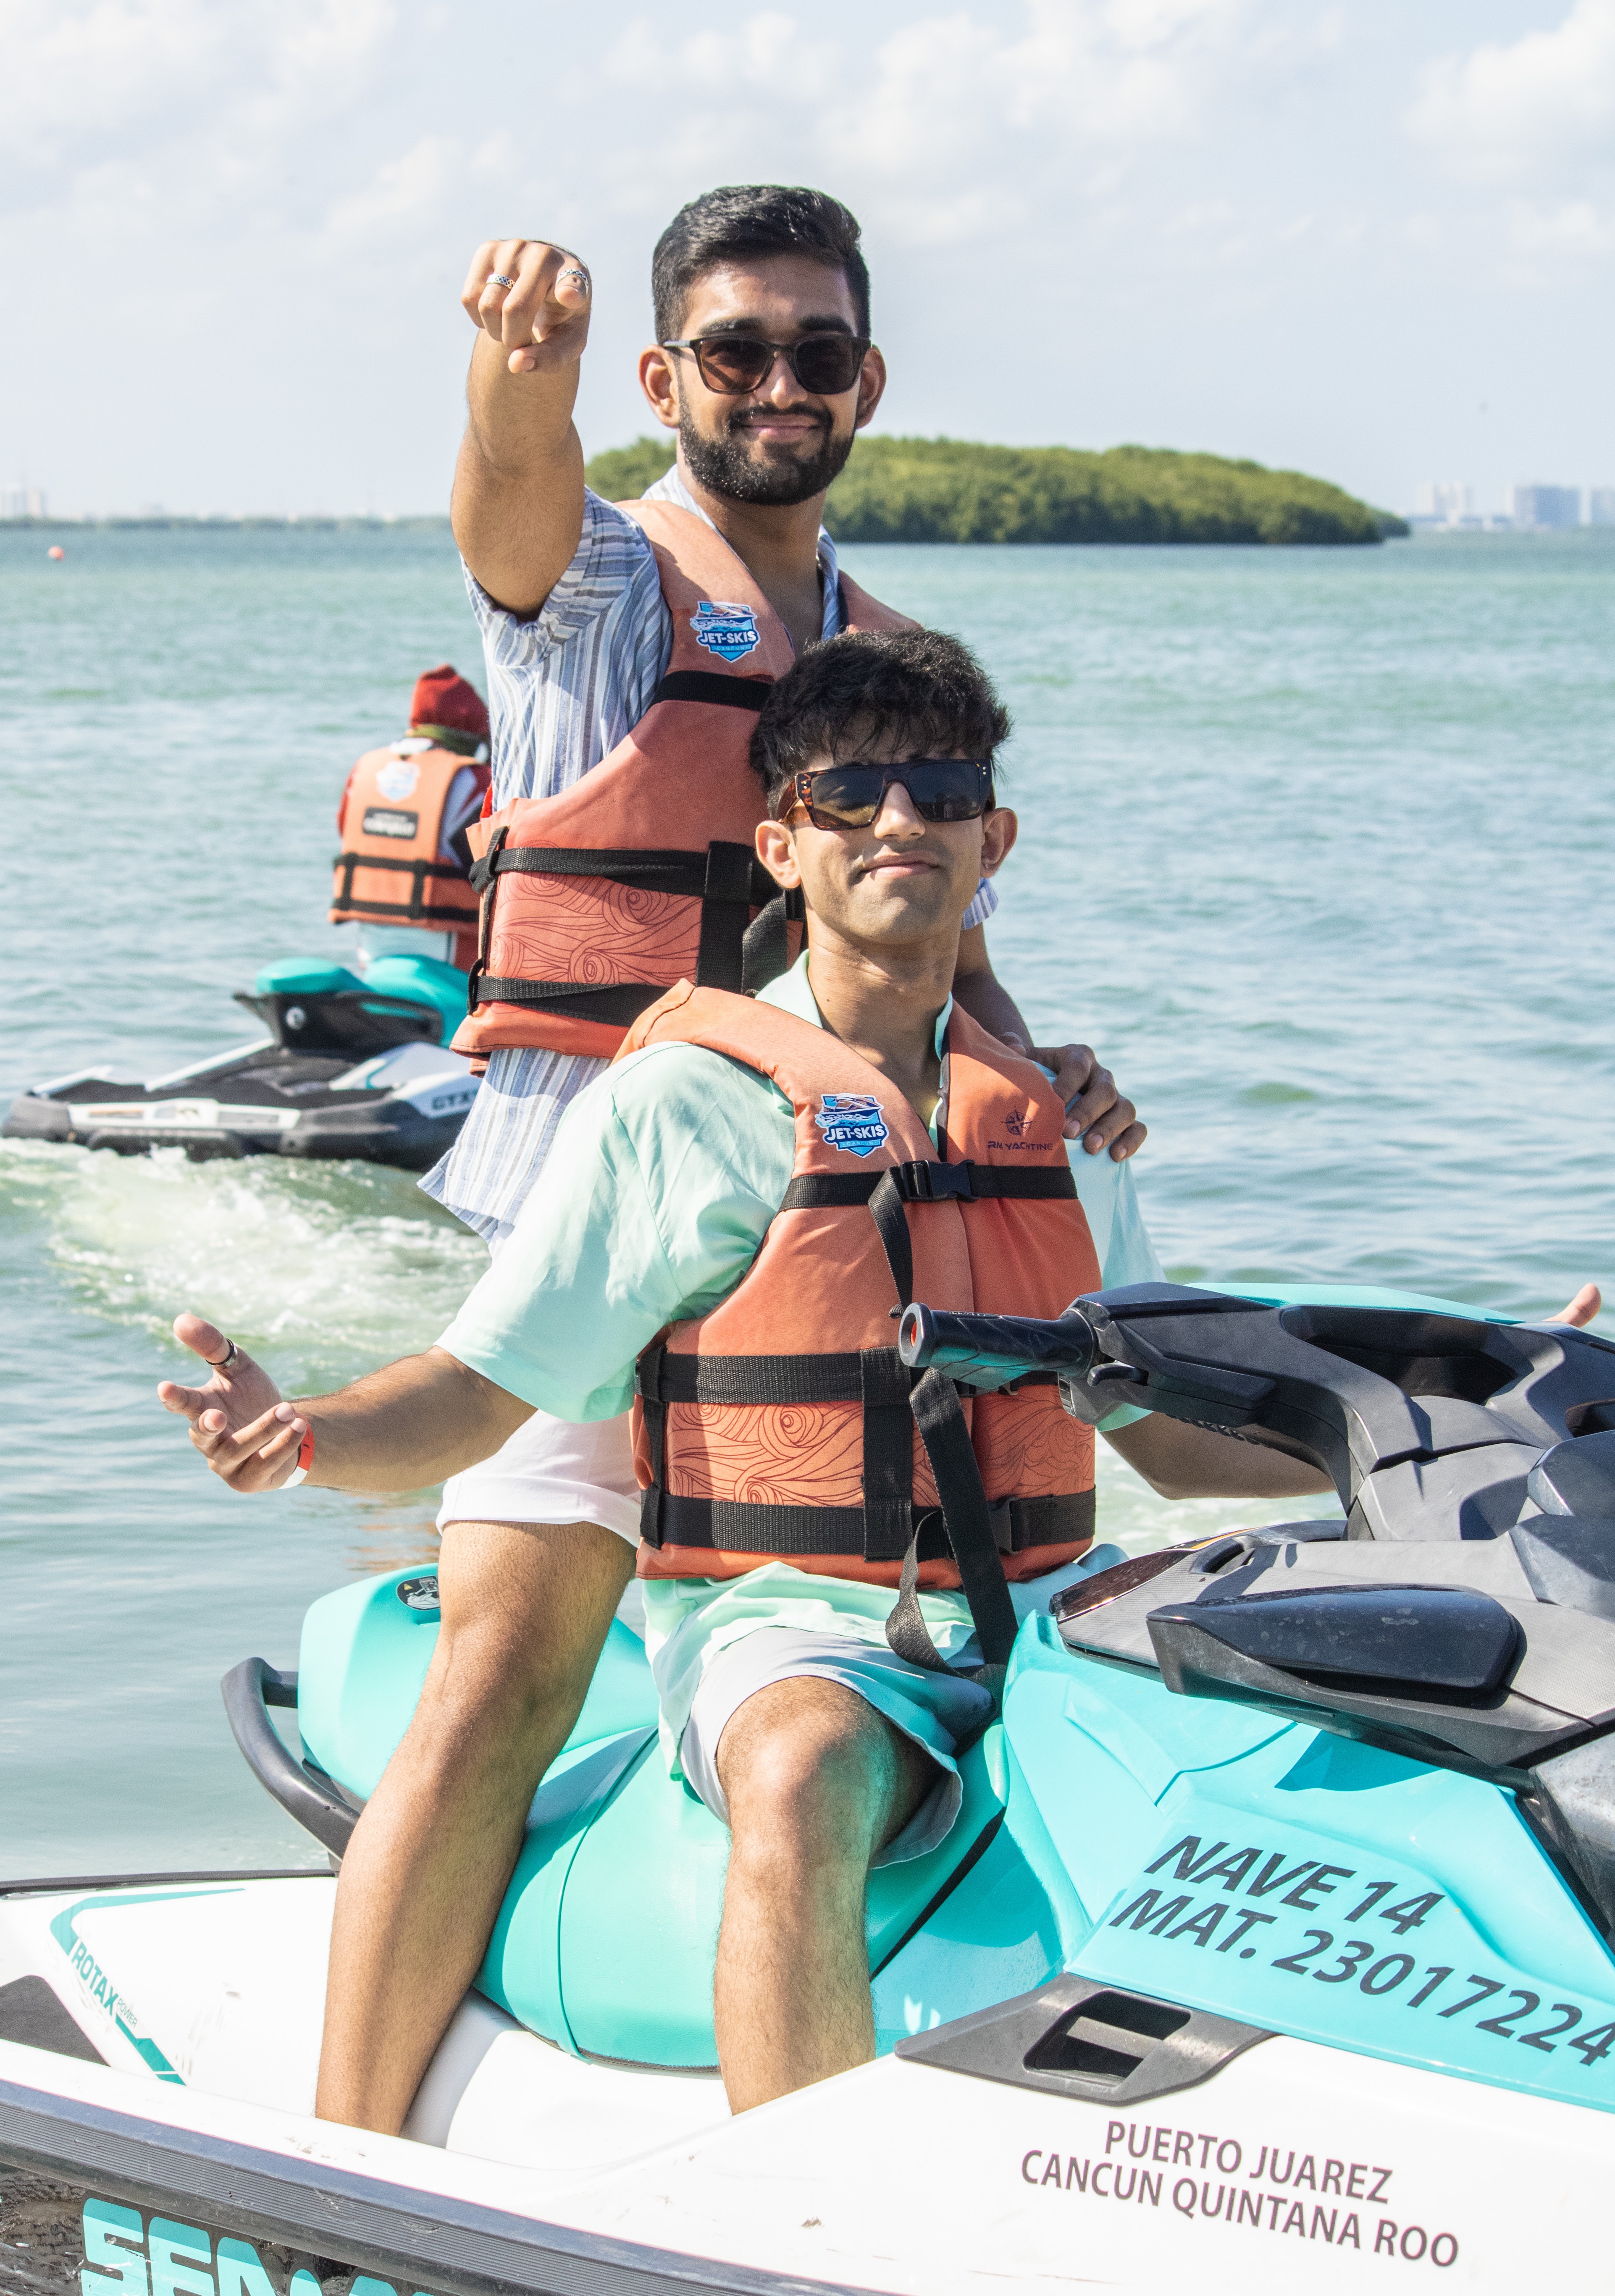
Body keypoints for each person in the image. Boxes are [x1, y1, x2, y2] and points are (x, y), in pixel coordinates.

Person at [178, 186, 1142, 2133]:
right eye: (734, 350)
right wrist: (508, 379)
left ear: (865, 379)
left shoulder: (888, 658)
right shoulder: (615, 590)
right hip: (591, 1209)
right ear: (662, 376)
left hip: (822, 1238)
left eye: (814, 351)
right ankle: (350, 2178)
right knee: (492, 1685)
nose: (777, 383)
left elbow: (944, 951)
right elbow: (508, 515)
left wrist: (1036, 1082)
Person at [161, 630, 1375, 2118]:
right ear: (782, 847)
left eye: (939, 793)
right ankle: (786, 2212)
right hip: (796, 1627)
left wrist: (1429, 1429)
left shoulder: (1053, 1125)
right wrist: (302, 1434)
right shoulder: (680, 1106)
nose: (898, 821)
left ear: (991, 843)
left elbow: (1168, 1438)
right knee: (796, 1771)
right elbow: (484, 1384)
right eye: (850, 794)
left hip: (1045, 1615)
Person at [328, 665, 491, 975]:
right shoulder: (475, 779)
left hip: (371, 939)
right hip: (447, 944)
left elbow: (345, 831)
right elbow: (494, 858)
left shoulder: (365, 768)